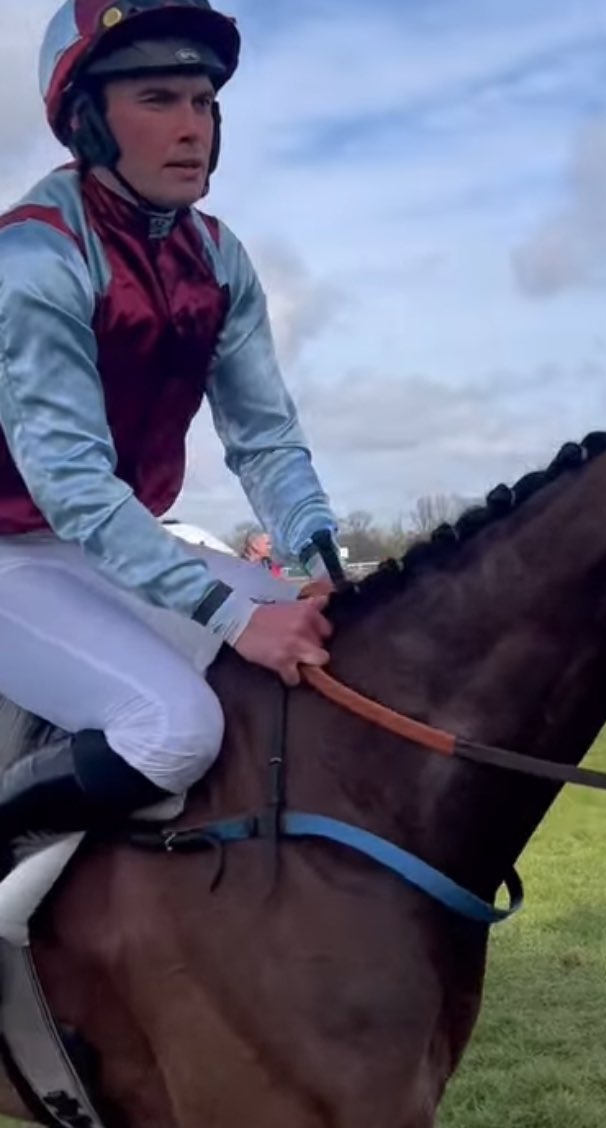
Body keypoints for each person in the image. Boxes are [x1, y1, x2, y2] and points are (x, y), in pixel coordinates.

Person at [0, 0, 342, 853]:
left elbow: (263, 436)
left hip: (102, 545)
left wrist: (320, 556)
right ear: (89, 122)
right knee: (173, 728)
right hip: (11, 548)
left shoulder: (219, 257)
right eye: (158, 100)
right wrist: (234, 618)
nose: (193, 129)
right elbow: (74, 489)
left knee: (354, 635)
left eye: (204, 103)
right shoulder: (33, 260)